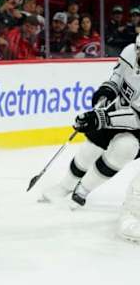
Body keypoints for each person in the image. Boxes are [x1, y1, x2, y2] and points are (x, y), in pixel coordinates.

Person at [41, 34, 140, 207]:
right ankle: (65, 186)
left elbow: (136, 118)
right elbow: (118, 75)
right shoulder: (130, 51)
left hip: (138, 126)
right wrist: (106, 91)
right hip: (116, 110)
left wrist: (100, 118)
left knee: (124, 148)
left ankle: (83, 190)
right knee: (90, 148)